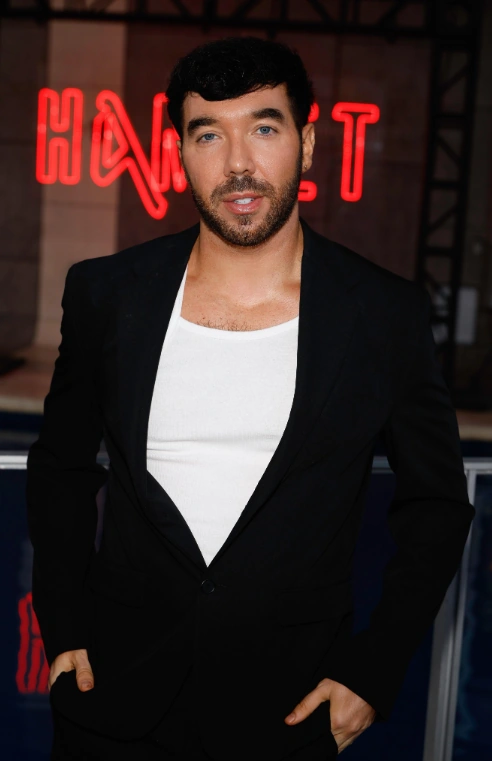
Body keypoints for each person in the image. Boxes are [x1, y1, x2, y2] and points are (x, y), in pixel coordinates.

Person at [26, 36, 475, 761]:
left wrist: (375, 666)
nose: (238, 163)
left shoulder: (382, 314)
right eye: (209, 134)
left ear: (308, 144)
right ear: (180, 152)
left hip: (290, 710)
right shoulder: (106, 295)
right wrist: (63, 624)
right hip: (111, 694)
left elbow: (437, 505)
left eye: (264, 128)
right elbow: (61, 468)